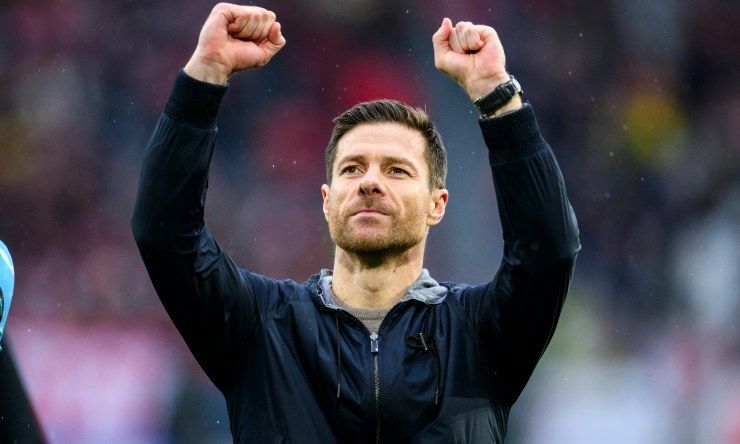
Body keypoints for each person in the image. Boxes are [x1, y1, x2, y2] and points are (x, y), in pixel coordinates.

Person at [131, 3, 581, 443]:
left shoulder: (479, 334)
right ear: (328, 202)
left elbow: (548, 250)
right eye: (352, 168)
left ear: (437, 204)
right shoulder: (261, 327)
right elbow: (165, 232)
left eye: (397, 170)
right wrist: (205, 73)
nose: (370, 182)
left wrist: (498, 98)